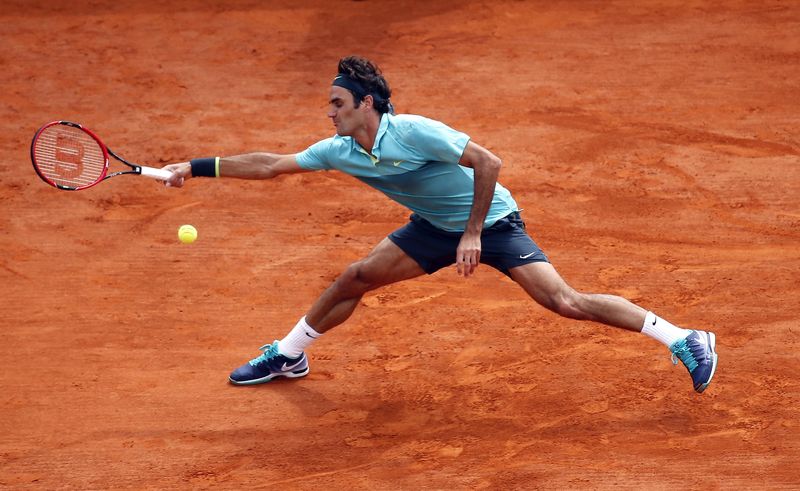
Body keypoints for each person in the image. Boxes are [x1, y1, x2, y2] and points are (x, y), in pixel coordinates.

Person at [162, 55, 718, 393]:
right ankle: (288, 353)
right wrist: (192, 167)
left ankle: (686, 339)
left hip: (493, 222)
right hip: (431, 226)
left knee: (562, 301)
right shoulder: (338, 150)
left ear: (366, 103)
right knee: (355, 276)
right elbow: (269, 165)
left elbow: (488, 163)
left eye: (336, 103)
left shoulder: (414, 131)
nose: (328, 112)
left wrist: (473, 233)